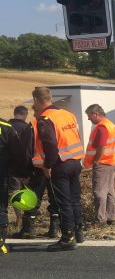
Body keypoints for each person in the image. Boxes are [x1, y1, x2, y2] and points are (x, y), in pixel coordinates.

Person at [32, 87, 85, 252]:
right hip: (76, 161)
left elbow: (51, 146)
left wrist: (47, 166)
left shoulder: (45, 119)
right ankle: (79, 232)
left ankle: (67, 238)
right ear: (50, 98)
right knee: (75, 199)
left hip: (60, 164)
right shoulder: (67, 114)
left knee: (63, 203)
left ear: (36, 101)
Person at [12, 105, 61, 240]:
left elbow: (26, 152)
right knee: (55, 199)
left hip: (38, 169)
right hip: (57, 167)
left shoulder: (33, 125)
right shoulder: (61, 123)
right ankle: (54, 230)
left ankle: (28, 230)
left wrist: (25, 173)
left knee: (31, 199)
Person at [83, 104, 115, 227]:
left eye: (89, 116)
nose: (89, 119)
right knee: (109, 191)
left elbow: (102, 146)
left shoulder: (101, 127)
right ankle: (110, 217)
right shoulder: (110, 125)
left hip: (103, 163)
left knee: (99, 192)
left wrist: (96, 160)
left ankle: (100, 220)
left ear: (96, 114)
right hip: (112, 162)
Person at [0, 117, 29, 255]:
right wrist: (22, 173)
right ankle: (1, 243)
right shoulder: (6, 126)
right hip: (2, 174)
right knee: (1, 208)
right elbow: (18, 153)